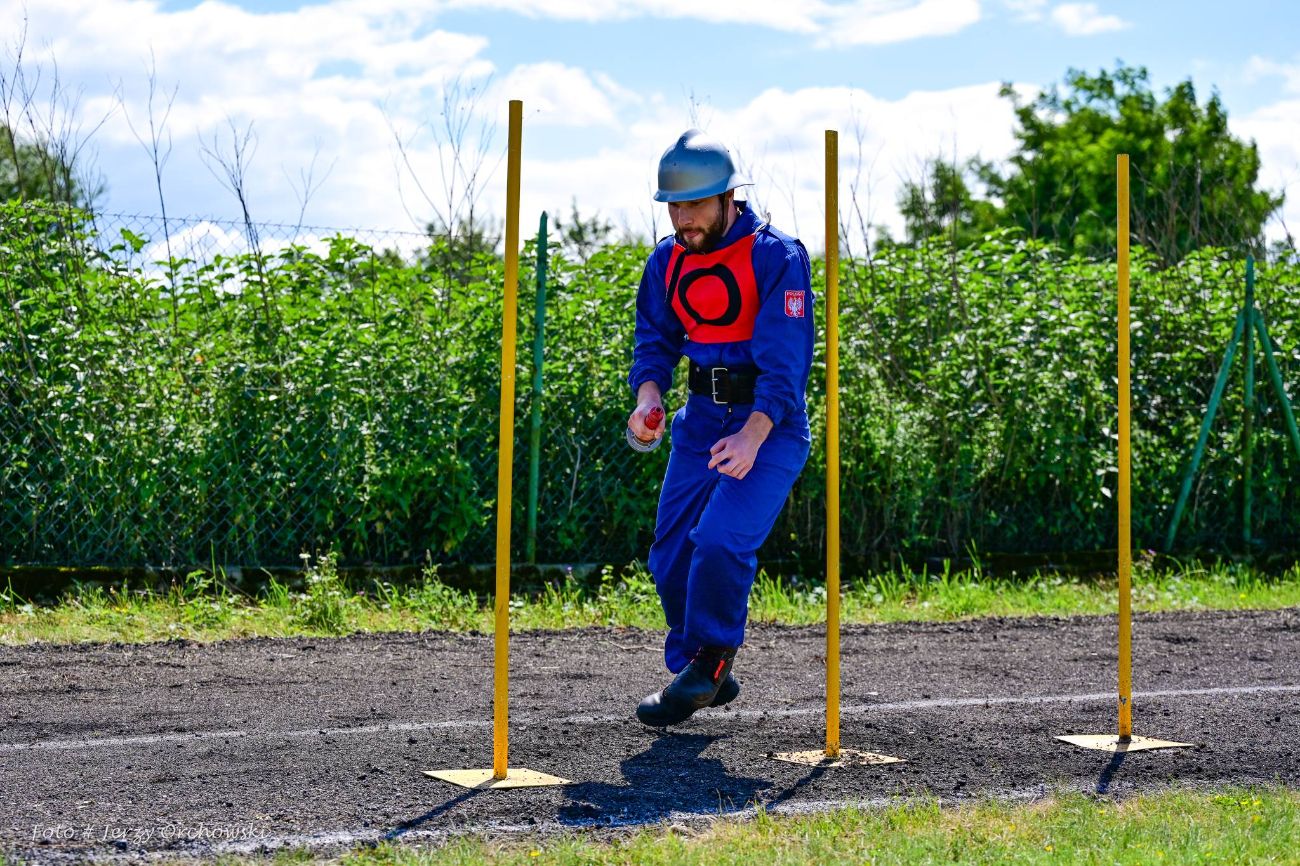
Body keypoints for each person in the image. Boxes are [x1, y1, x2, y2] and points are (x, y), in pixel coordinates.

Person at [627, 129, 814, 727]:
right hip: (700, 421)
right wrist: (649, 398)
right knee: (669, 555)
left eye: (695, 204)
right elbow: (654, 341)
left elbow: (787, 365)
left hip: (770, 426)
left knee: (720, 541)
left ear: (728, 197)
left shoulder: (777, 256)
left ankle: (708, 662)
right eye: (674, 206)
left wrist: (754, 435)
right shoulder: (666, 261)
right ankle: (706, 668)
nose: (683, 218)